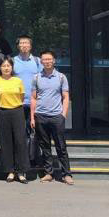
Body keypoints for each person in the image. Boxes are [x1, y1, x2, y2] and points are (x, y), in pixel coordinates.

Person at [31, 50, 73, 185]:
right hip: (41, 116)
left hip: (56, 116)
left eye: (49, 59)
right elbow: (33, 98)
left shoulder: (61, 77)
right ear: (41, 61)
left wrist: (63, 114)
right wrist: (32, 117)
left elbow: (65, 97)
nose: (47, 62)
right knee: (45, 146)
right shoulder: (36, 77)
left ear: (54, 61)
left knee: (61, 147)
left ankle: (66, 174)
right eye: (44, 59)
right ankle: (48, 173)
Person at [0, 55, 29, 184]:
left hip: (17, 112)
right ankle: (10, 171)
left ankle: (21, 171)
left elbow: (21, 97)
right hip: (2, 112)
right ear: (0, 68)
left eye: (8, 65)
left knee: (20, 141)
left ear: (12, 67)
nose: (6, 68)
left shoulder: (18, 81)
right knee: (6, 142)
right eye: (3, 66)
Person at [13, 35, 42, 136]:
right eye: (22, 43)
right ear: (18, 46)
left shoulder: (37, 61)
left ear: (30, 46)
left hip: (35, 103)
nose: (24, 45)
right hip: (17, 103)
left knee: (35, 132)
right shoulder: (12, 61)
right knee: (19, 132)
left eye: (26, 43)